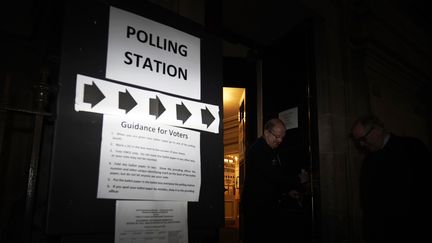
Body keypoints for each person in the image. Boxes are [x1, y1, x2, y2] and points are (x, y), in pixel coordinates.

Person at [350, 114, 430, 243]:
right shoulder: (367, 163)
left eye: (363, 139)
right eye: (357, 141)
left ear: (377, 129)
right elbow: (366, 205)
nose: (361, 144)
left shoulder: (413, 148)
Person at [241, 118, 305, 243]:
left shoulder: (270, 149)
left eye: (282, 137)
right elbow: (274, 176)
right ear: (266, 133)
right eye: (277, 136)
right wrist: (298, 179)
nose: (280, 140)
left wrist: (288, 191)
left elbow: (270, 180)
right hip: (257, 208)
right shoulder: (258, 150)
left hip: (265, 206)